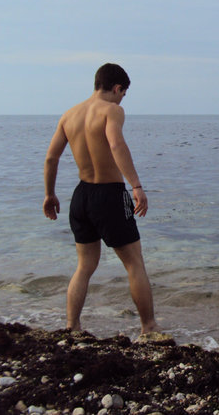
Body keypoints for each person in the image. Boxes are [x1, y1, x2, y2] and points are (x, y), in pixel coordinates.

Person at [43, 63, 159, 335]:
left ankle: (72, 326)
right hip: (109, 194)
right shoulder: (112, 110)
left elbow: (51, 158)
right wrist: (136, 186)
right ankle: (149, 326)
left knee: (84, 266)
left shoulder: (69, 115)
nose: (122, 100)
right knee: (134, 263)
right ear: (117, 88)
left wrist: (49, 193)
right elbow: (116, 144)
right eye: (123, 94)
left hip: (81, 195)